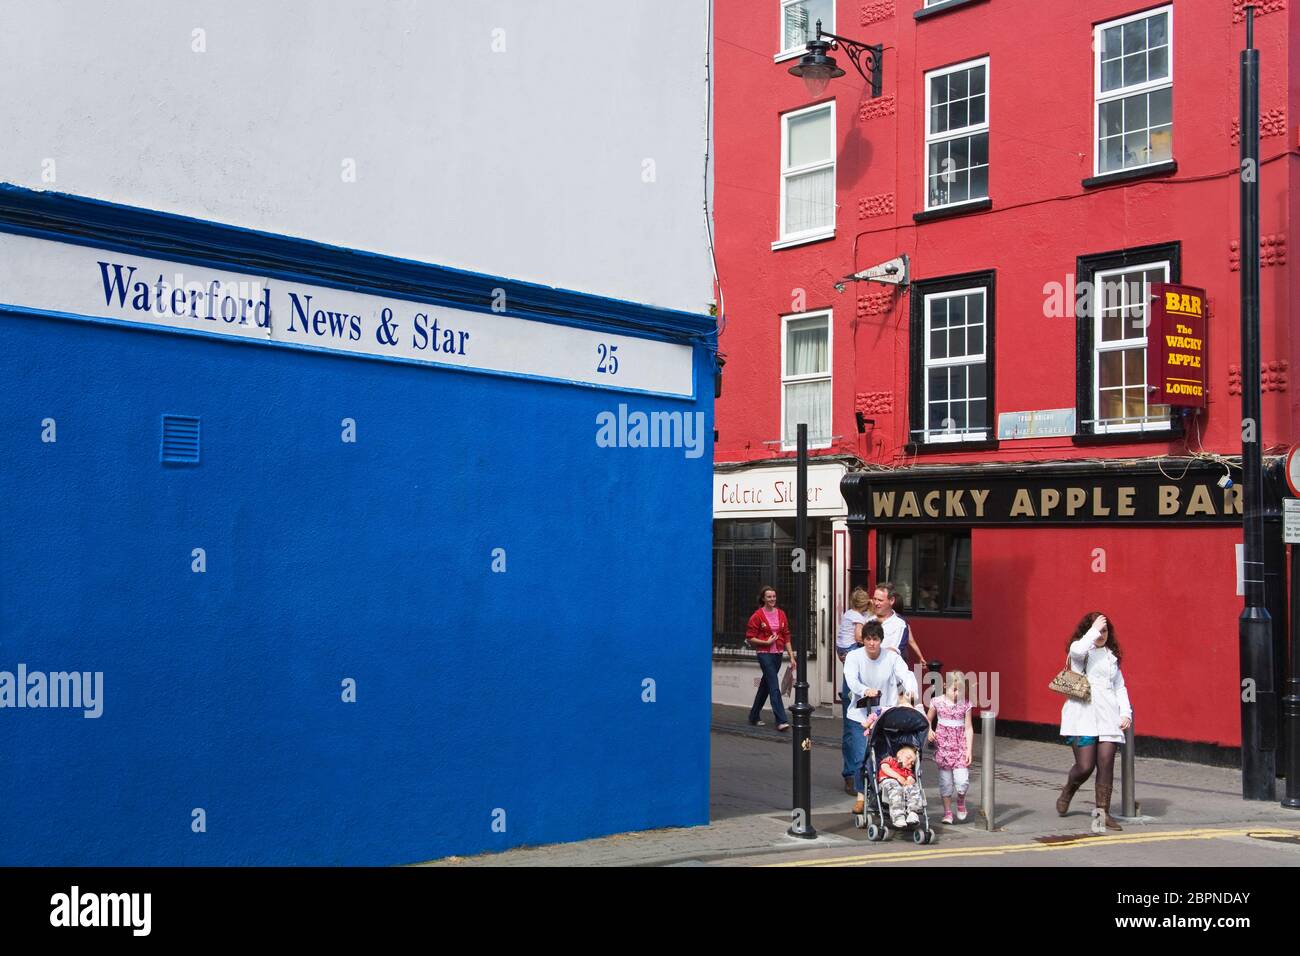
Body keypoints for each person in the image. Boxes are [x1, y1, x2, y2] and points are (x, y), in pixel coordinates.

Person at [1056, 612, 1132, 831]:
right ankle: (1069, 788)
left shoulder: (1111, 656)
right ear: (1088, 631)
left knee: (1106, 763)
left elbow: (1120, 687)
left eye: (1105, 630)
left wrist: (1125, 713)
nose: (1101, 635)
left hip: (1108, 717)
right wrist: (1093, 630)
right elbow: (1076, 649)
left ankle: (1102, 814)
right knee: (1085, 766)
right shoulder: (1080, 650)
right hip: (1083, 715)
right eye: (1098, 630)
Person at [843, 618, 912, 814]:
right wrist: (865, 690)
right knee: (860, 757)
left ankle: (883, 796)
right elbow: (851, 680)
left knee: (883, 758)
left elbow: (906, 675)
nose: (872, 643)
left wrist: (911, 695)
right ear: (863, 640)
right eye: (868, 639)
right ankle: (861, 796)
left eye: (875, 639)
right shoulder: (854, 657)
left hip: (885, 715)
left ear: (881, 640)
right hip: (860, 716)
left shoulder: (891, 658)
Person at [836, 587, 874, 794]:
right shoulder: (858, 618)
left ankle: (866, 774)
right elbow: (859, 637)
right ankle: (853, 774)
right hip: (855, 671)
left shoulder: (853, 615)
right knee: (853, 726)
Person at [928, 671, 974, 824]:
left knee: (962, 781)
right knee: (945, 782)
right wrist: (929, 731)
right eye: (953, 690)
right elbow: (927, 720)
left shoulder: (966, 704)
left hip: (960, 747)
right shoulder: (937, 702)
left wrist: (969, 750)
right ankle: (947, 812)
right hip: (943, 748)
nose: (956, 694)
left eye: (960, 690)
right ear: (946, 686)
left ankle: (961, 799)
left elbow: (968, 727)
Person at [746, 585, 792, 731]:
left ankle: (753, 716)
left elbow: (786, 636)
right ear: (763, 599)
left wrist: (791, 656)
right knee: (774, 685)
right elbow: (750, 637)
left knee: (765, 686)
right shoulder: (757, 616)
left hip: (777, 654)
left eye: (774, 596)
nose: (772, 599)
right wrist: (765, 642)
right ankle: (781, 720)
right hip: (764, 655)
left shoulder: (781, 614)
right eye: (769, 597)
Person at [872, 583, 927, 668]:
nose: (876, 603)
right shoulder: (868, 620)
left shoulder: (900, 624)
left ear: (892, 601)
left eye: (880, 600)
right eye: (874, 599)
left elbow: (893, 651)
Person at [878, 744, 923, 828]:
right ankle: (898, 816)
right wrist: (898, 777)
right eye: (908, 758)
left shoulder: (907, 771)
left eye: (913, 762)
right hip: (889, 782)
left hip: (903, 786)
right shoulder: (890, 760)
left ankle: (913, 812)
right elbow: (884, 768)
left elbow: (911, 778)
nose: (911, 762)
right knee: (896, 788)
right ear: (899, 754)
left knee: (913, 787)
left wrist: (910, 780)